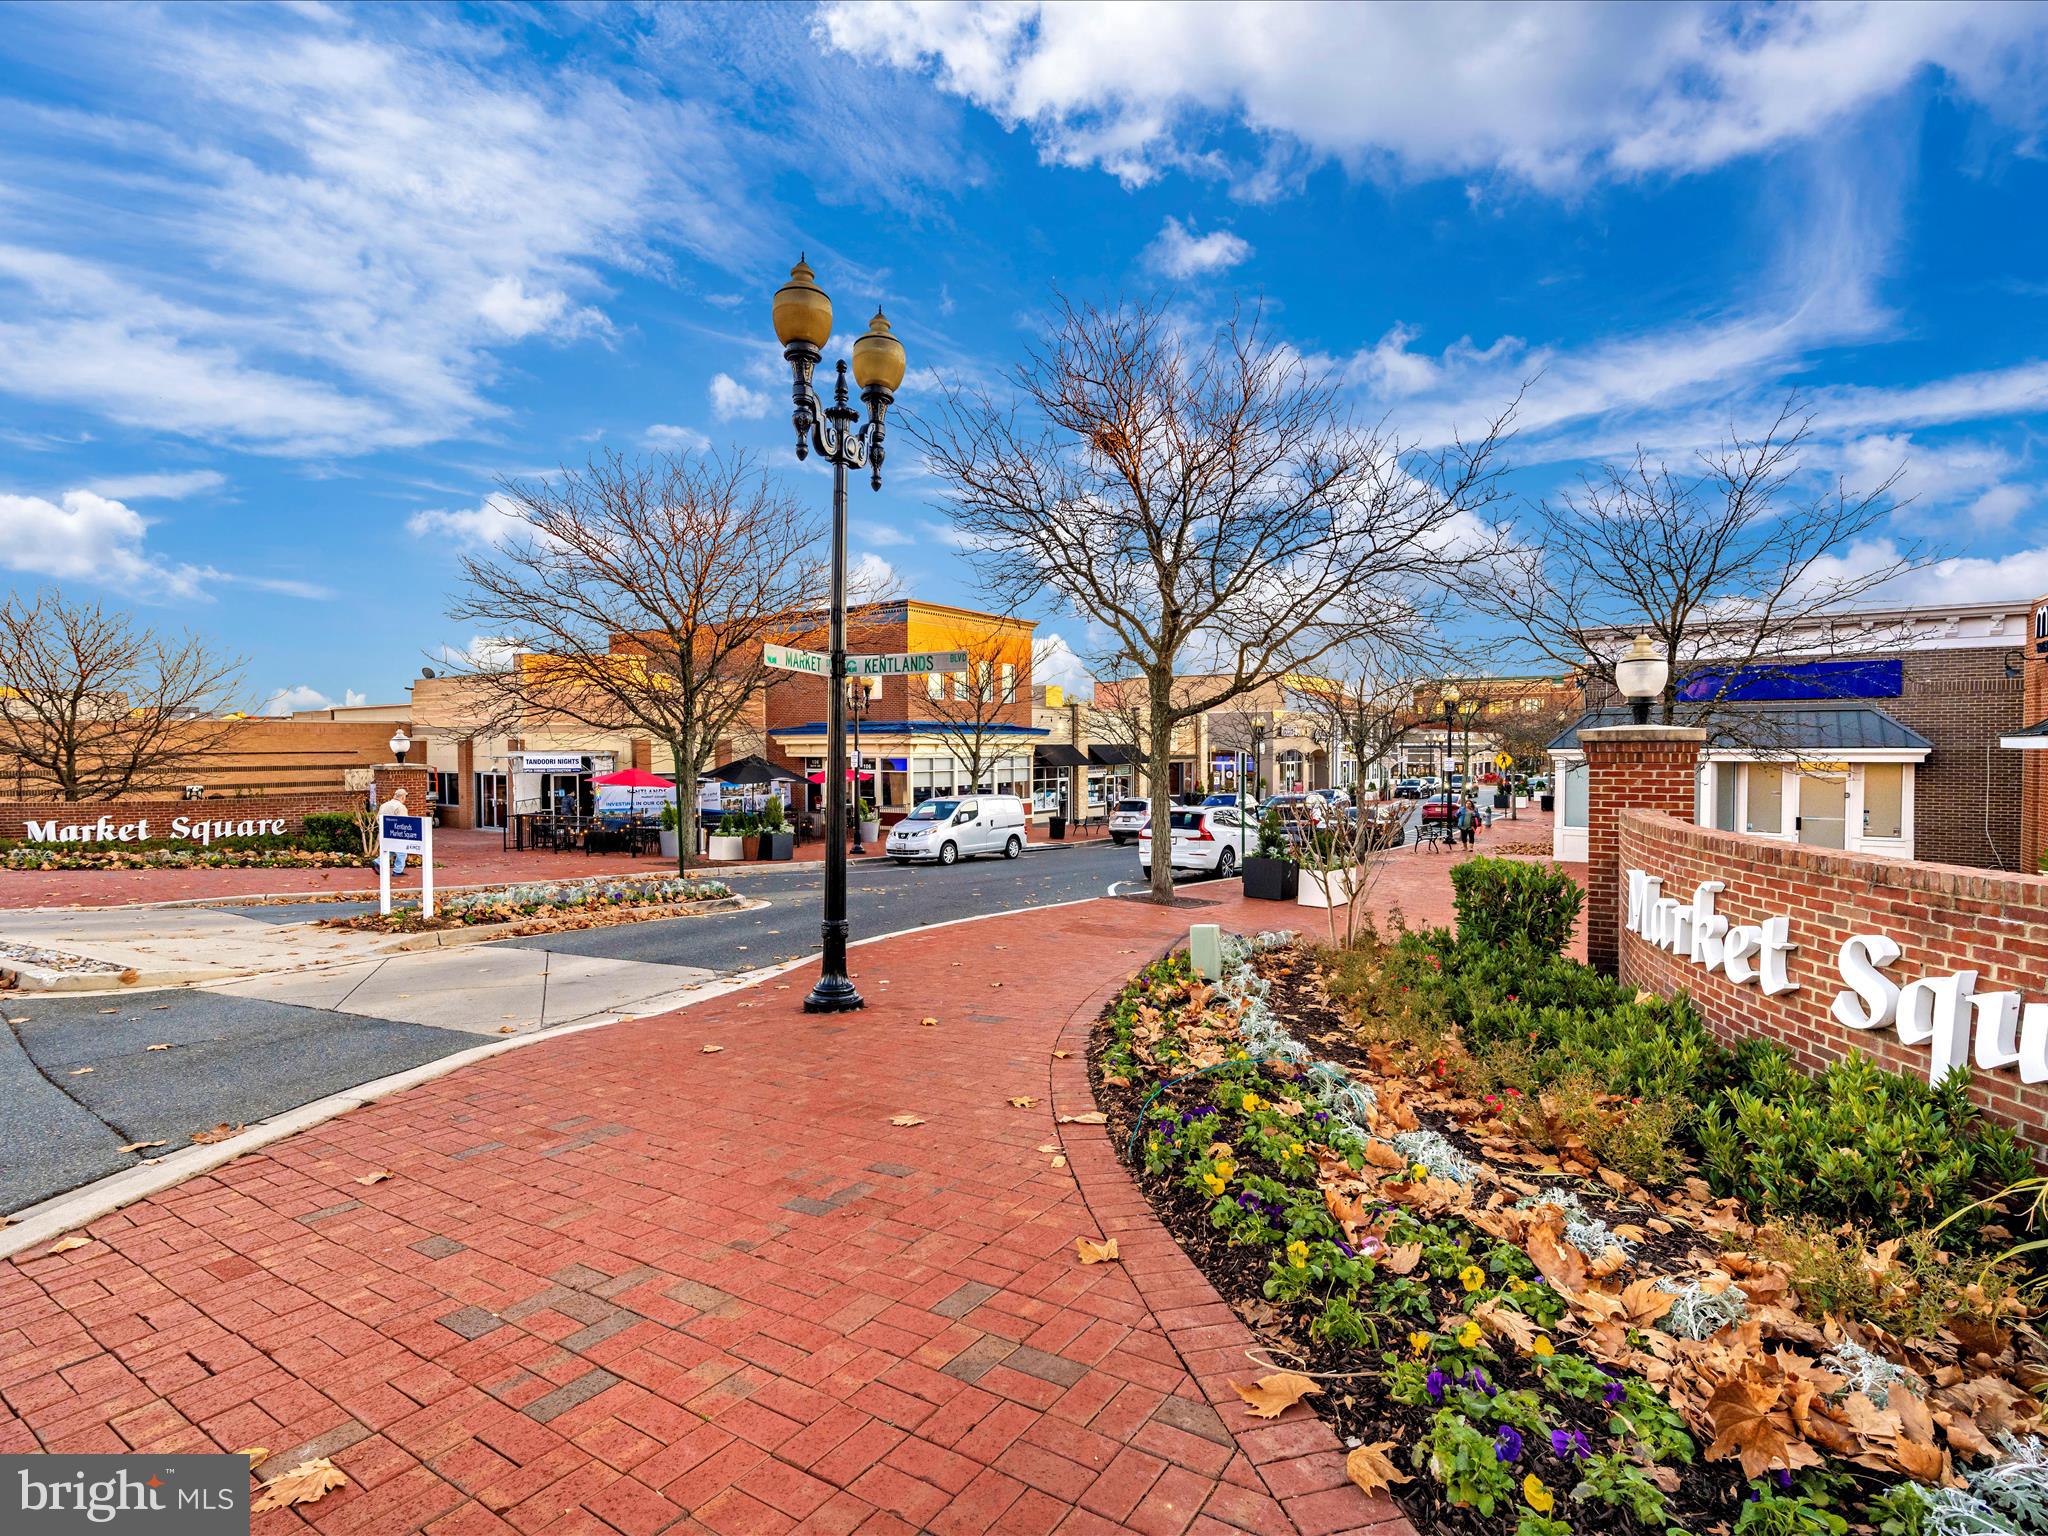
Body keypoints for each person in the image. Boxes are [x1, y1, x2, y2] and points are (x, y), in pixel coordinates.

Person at [378, 786, 413, 875]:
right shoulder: (400, 807)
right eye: (405, 797)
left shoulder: (384, 805)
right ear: (402, 797)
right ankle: (398, 871)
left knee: (389, 849)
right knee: (402, 852)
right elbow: (404, 822)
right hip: (397, 833)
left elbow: (378, 819)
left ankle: (378, 861)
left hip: (385, 832)